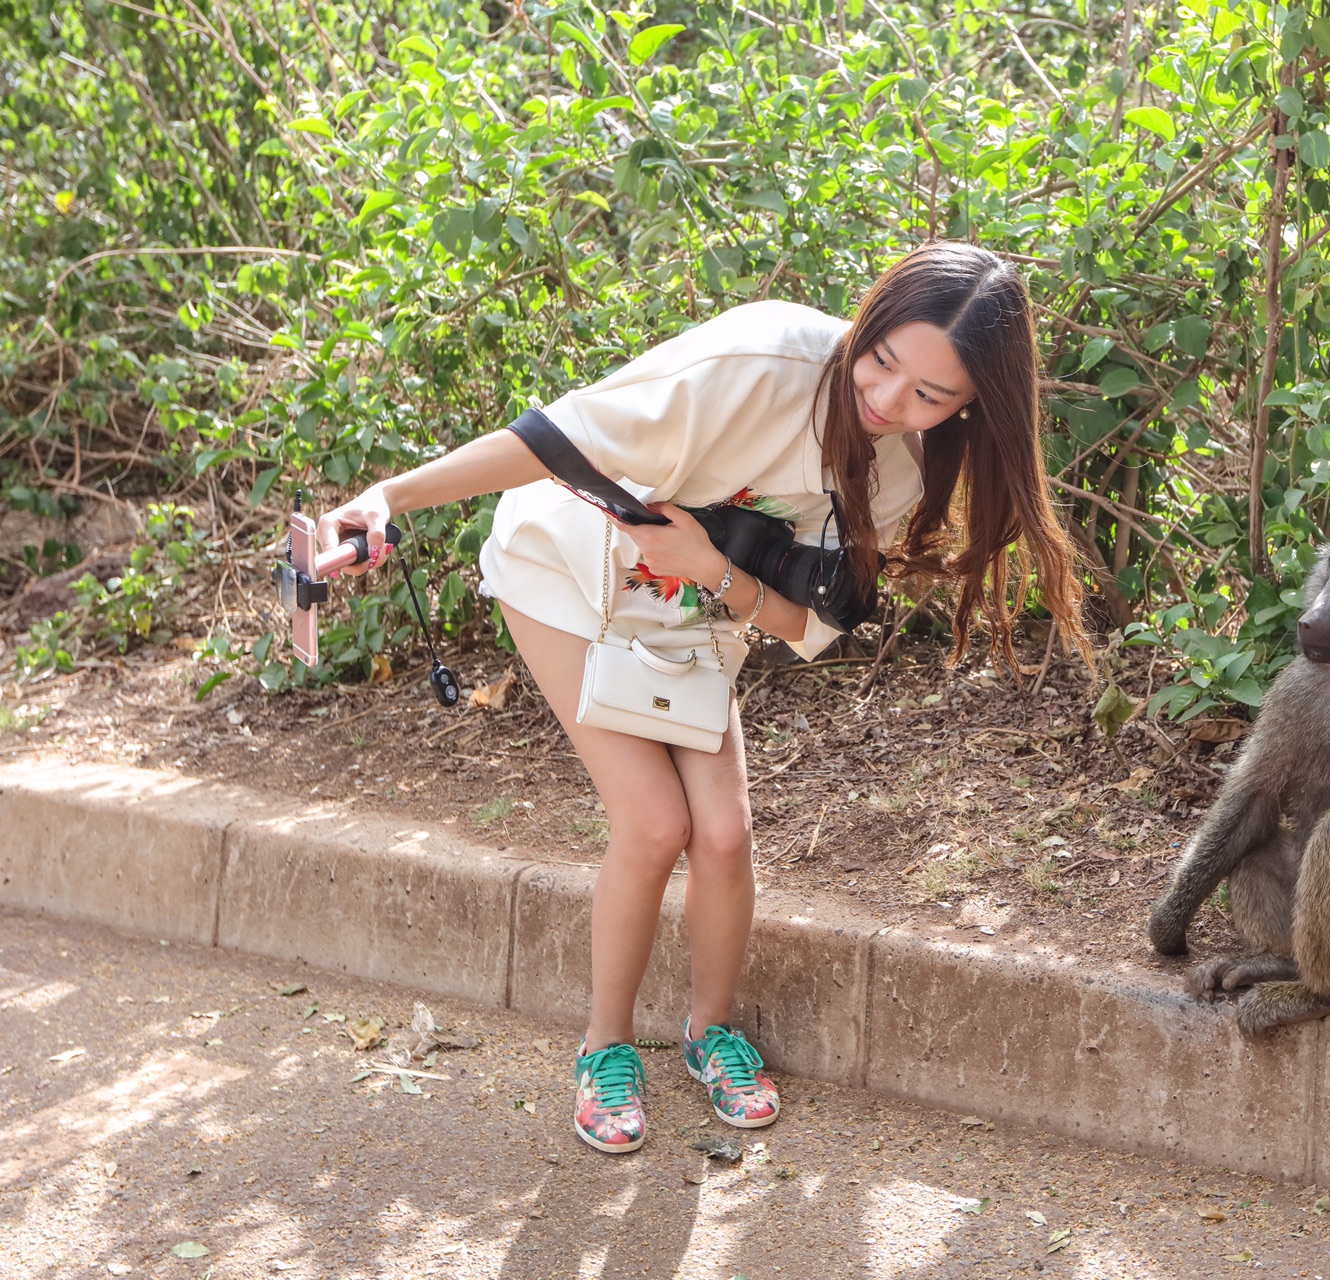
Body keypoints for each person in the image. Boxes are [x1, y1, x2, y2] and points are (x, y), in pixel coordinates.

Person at [318, 241, 1086, 1156]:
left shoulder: (898, 476)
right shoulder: (757, 364)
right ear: (868, 317)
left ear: (968, 406)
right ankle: (604, 1049)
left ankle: (707, 1031)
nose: (887, 402)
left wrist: (714, 571)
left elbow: (807, 628)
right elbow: (553, 437)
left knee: (722, 832)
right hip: (562, 569)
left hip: (684, 600)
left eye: (929, 395)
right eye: (882, 362)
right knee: (653, 825)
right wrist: (389, 498)